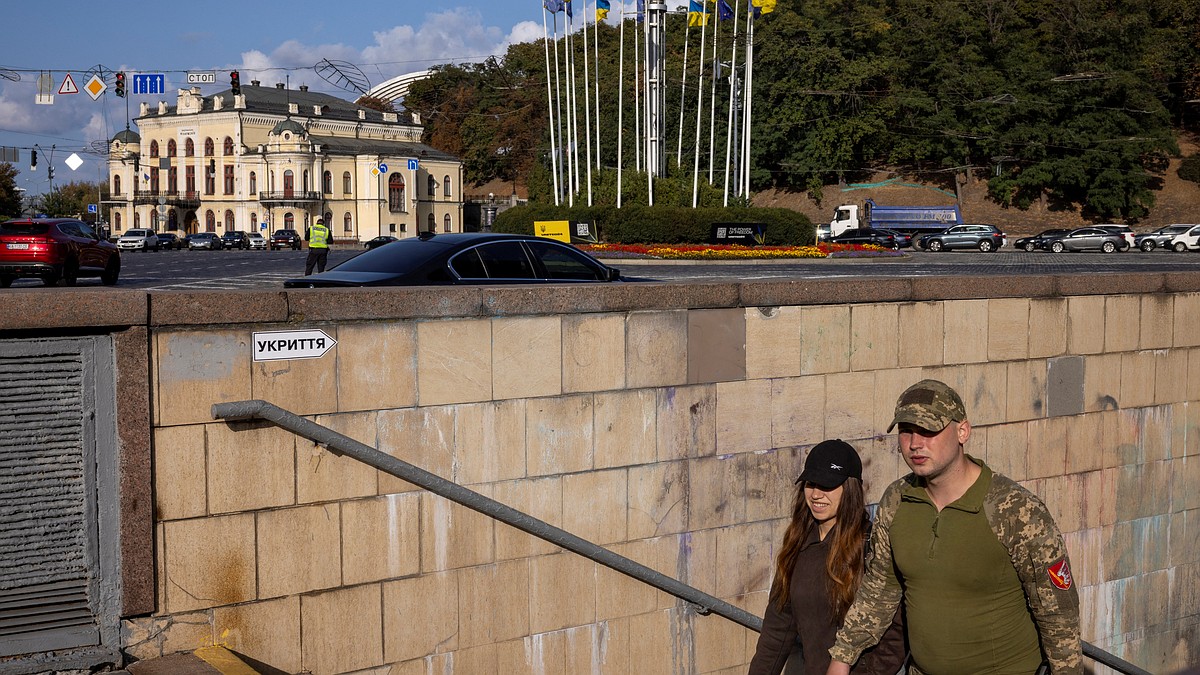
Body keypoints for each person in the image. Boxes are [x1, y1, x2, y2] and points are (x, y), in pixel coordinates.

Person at [826, 379, 1082, 675]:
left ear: (963, 431)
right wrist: (842, 658)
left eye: (929, 430)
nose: (915, 443)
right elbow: (879, 590)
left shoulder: (1015, 510)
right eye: (906, 431)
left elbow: (1059, 616)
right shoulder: (896, 501)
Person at [750, 439, 907, 675]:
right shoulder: (797, 545)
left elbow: (897, 630)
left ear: (850, 488)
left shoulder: (872, 546)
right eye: (811, 483)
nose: (816, 494)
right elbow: (777, 629)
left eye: (828, 485)